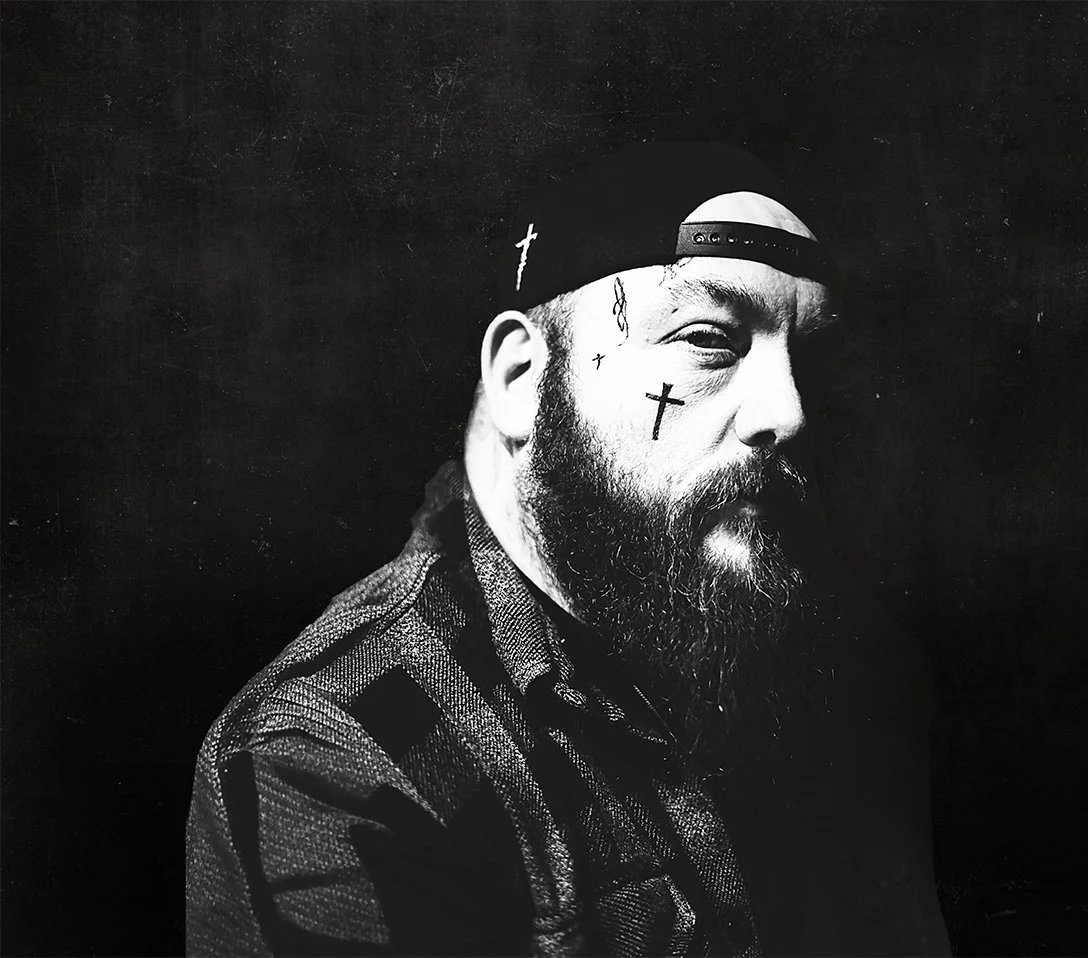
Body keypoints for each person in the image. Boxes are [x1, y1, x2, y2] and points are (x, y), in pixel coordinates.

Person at [186, 142, 950, 956]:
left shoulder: (835, 660)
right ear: (522, 378)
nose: (788, 412)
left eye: (809, 359)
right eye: (709, 339)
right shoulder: (343, 754)